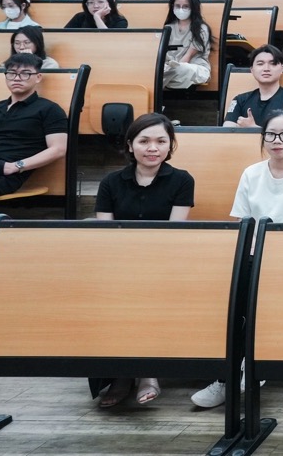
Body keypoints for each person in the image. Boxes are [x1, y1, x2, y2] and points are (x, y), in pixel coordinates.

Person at [191, 109, 283, 409]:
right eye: (271, 134)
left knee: (258, 303)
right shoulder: (251, 173)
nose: (277, 140)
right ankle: (226, 377)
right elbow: (242, 222)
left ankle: (250, 368)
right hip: (250, 255)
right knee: (232, 303)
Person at [93, 113, 194, 408]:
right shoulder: (111, 182)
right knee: (116, 293)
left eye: (161, 141)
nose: (153, 148)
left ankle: (147, 373)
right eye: (144, 141)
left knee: (148, 293)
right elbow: (105, 234)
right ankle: (122, 374)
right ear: (130, 145)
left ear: (170, 145)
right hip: (119, 262)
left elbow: (175, 233)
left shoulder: (182, 180)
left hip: (165, 262)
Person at [0, 54, 69, 263]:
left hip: (3, 171)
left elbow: (58, 149)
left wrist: (16, 166)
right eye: (12, 73)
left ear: (38, 77)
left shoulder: (49, 109)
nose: (17, 78)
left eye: (25, 73)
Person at [223, 45, 283, 128]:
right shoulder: (240, 100)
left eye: (273, 63)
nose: (266, 68)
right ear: (252, 70)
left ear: (282, 69)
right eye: (260, 64)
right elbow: (227, 130)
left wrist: (252, 128)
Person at [162, 0, 211, 90]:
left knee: (178, 69)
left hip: (192, 68)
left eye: (185, 6)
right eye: (177, 6)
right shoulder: (167, 27)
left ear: (193, 8)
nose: (181, 9)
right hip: (170, 68)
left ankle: (157, 88)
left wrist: (171, 68)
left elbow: (187, 57)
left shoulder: (201, 29)